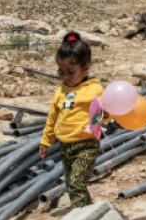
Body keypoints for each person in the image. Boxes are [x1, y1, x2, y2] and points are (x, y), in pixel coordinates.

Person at [39, 31, 104, 208]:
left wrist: (97, 121)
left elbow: (104, 114)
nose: (65, 76)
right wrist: (46, 141)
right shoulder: (60, 91)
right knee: (72, 184)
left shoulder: (94, 90)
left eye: (71, 72)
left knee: (76, 184)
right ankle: (89, 212)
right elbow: (52, 117)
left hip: (86, 145)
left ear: (86, 68)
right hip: (65, 146)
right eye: (61, 71)